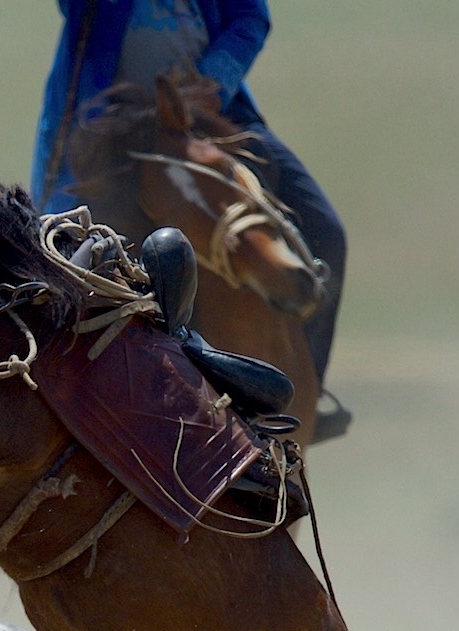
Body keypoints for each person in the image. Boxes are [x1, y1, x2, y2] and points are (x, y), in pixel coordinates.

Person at [31, 0, 348, 417]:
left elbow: (249, 16)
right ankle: (52, 398)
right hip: (108, 127)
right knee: (70, 256)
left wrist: (215, 82)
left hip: (205, 114)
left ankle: (309, 395)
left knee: (326, 231)